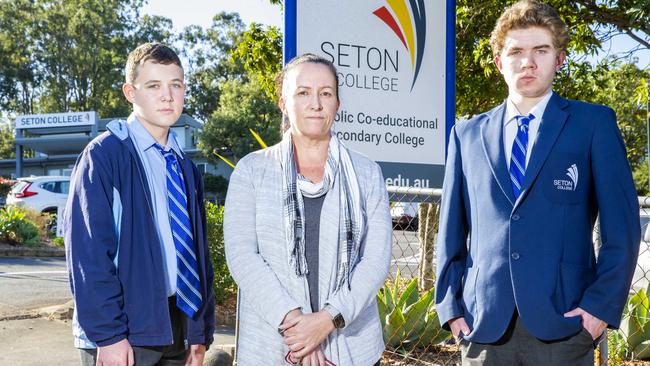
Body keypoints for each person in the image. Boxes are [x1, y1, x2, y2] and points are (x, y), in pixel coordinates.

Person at [435, 1, 641, 365]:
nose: (527, 62)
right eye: (516, 51)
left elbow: (621, 231)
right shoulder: (466, 135)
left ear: (558, 59)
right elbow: (450, 233)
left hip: (564, 326)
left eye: (540, 50)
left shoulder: (592, 125)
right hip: (483, 330)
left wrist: (597, 311)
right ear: (499, 61)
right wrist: (452, 309)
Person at [223, 53, 391, 366]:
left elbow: (376, 260)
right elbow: (243, 256)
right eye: (303, 92)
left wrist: (327, 320)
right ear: (283, 102)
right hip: (274, 346)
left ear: (337, 104)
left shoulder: (367, 173)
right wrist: (299, 329)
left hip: (353, 348)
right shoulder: (252, 171)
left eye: (325, 93)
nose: (316, 103)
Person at [64, 43, 215, 366]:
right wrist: (109, 336)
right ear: (130, 92)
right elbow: (88, 256)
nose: (167, 96)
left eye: (175, 85)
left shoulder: (185, 168)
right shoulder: (104, 156)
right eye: (154, 86)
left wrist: (198, 332)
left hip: (177, 327)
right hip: (126, 333)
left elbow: (198, 258)